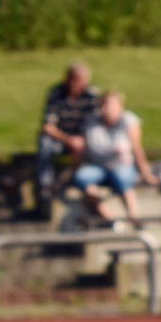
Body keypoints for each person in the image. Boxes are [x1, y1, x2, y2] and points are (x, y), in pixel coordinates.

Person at [71, 90, 159, 226]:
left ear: (120, 106)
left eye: (111, 105)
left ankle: (134, 217)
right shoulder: (92, 121)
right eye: (105, 105)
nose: (107, 109)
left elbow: (137, 148)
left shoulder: (128, 121)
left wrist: (146, 173)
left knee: (122, 178)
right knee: (82, 177)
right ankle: (109, 218)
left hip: (120, 165)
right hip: (98, 166)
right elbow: (84, 147)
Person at [34, 61, 101, 219]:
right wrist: (69, 140)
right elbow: (48, 126)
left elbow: (97, 124)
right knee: (45, 144)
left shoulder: (92, 95)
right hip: (60, 138)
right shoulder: (56, 93)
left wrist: (83, 140)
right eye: (75, 80)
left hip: (84, 138)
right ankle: (46, 185)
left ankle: (88, 179)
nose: (79, 84)